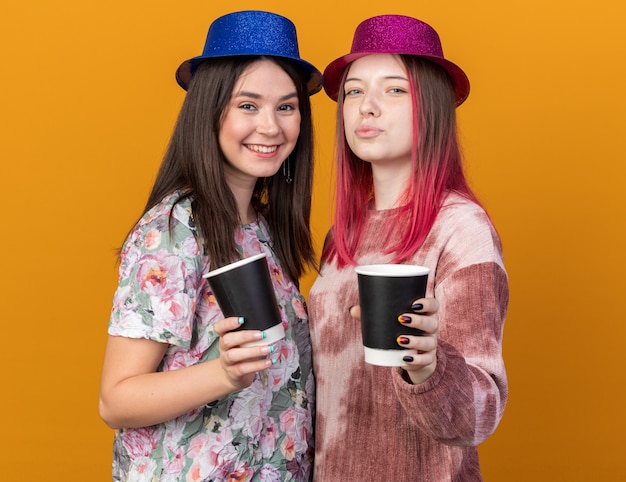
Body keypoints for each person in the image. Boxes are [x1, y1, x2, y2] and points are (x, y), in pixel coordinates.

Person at [98, 10, 323, 481]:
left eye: (286, 106)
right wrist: (223, 374)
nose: (271, 127)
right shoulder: (177, 226)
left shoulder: (263, 227)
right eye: (247, 105)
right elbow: (116, 400)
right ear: (210, 109)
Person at [308, 14, 509, 481]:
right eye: (354, 91)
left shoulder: (461, 229)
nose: (367, 107)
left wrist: (428, 364)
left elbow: (478, 416)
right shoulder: (342, 235)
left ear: (431, 106)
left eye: (394, 90)